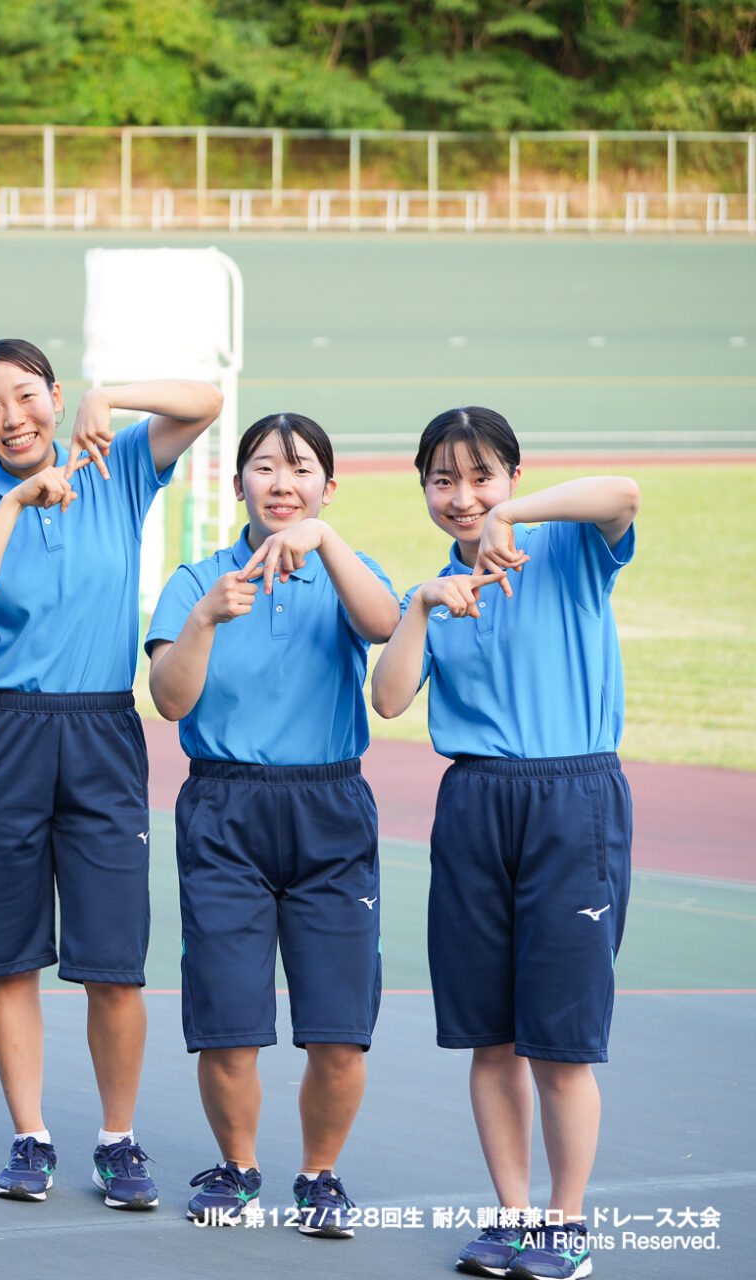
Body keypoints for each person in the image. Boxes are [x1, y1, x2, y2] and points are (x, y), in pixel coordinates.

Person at [0, 338, 221, 1205]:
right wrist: (16, 500)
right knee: (10, 958)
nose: (12, 417)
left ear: (55, 397)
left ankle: (118, 1139)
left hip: (100, 731)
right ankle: (30, 1137)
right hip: (5, 733)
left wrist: (115, 396)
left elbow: (201, 401)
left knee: (113, 960)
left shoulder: (117, 466)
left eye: (27, 396)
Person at [372, 408, 638, 1280]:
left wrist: (513, 520)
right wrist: (418, 603)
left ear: (514, 477)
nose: (462, 497)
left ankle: (566, 1226)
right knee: (491, 1038)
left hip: (573, 799)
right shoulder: (444, 591)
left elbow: (623, 492)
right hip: (477, 804)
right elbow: (389, 698)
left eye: (481, 477)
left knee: (560, 1041)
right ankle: (513, 1220)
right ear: (423, 491)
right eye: (442, 481)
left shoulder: (566, 552)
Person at [143, 413, 397, 1235]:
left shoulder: (347, 569)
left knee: (339, 1025)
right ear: (237, 482)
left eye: (299, 469)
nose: (280, 483)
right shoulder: (196, 580)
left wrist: (325, 542)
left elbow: (386, 624)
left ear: (327, 486)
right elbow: (171, 700)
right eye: (263, 467)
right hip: (224, 805)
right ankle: (237, 1167)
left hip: (329, 807)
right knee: (229, 1017)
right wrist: (206, 619)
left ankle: (319, 1175)